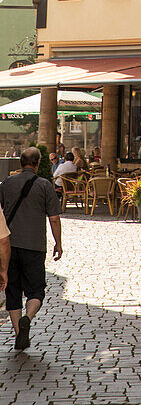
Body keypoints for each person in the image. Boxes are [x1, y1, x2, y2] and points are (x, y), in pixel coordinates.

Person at [0, 146, 62, 350]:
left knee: (13, 291)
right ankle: (28, 317)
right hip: (35, 246)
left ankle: (19, 333)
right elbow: (54, 218)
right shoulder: (45, 185)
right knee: (36, 290)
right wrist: (58, 243)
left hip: (9, 245)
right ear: (37, 163)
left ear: (20, 162)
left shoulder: (7, 183)